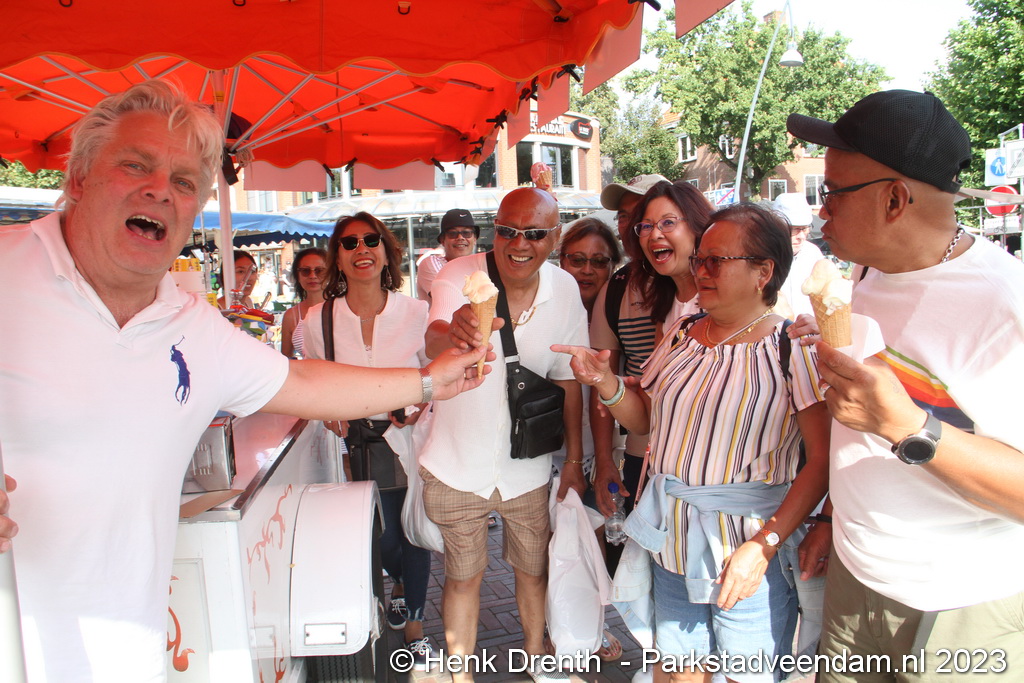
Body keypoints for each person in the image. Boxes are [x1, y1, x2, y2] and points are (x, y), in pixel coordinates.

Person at [0, 80, 490, 683]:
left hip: (127, 652)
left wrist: (429, 382)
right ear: (78, 179)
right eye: (136, 165)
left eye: (185, 182)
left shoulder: (189, 322)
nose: (161, 189)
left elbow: (303, 382)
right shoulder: (8, 267)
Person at [787, 90, 1024, 680]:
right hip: (854, 578)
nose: (820, 211)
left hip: (959, 604)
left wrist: (907, 426)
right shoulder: (866, 272)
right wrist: (831, 518)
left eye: (832, 192)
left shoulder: (1004, 307)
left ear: (894, 199)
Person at [556, 203, 831, 683]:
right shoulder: (683, 332)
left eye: (716, 261)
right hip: (674, 544)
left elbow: (821, 461)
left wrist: (765, 545)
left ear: (763, 272)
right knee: (680, 672)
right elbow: (645, 419)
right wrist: (605, 383)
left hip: (747, 549)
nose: (700, 270)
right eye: (700, 258)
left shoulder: (793, 348)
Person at [420, 187, 588, 682]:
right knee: (462, 576)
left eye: (534, 233)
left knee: (533, 572)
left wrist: (573, 462)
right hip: (456, 463)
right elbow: (432, 336)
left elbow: (568, 380)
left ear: (555, 237)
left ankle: (537, 661)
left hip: (528, 468)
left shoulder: (565, 289)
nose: (519, 243)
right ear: (494, 229)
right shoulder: (459, 275)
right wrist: (454, 331)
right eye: (507, 230)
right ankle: (460, 674)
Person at [302, 213, 436, 670]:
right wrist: (327, 413)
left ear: (386, 252)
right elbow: (315, 381)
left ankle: (415, 624)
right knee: (380, 536)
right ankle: (397, 583)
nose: (362, 249)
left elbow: (433, 376)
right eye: (350, 243)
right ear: (338, 259)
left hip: (404, 440)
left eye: (371, 240)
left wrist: (418, 403)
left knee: (411, 531)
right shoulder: (318, 319)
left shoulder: (416, 313)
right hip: (353, 447)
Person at [590, 181, 710, 551]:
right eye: (643, 223)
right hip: (660, 472)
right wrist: (606, 383)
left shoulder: (727, 296)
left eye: (667, 222)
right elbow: (648, 415)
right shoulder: (666, 303)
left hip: (716, 485)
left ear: (698, 224)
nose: (649, 232)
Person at [556, 217, 624, 662]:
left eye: (598, 261)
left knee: (597, 528)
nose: (586, 270)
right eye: (577, 259)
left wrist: (602, 458)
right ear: (560, 260)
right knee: (553, 535)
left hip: (602, 439)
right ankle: (554, 627)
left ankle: (593, 628)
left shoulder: (618, 309)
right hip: (549, 444)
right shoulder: (546, 304)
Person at [772, 192, 825, 319]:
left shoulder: (813, 253)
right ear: (777, 227)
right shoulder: (760, 255)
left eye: (805, 228)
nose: (801, 236)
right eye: (794, 229)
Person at [416, 207, 478, 301]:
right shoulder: (430, 263)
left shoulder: (480, 266)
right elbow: (448, 298)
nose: (460, 237)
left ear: (475, 239)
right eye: (453, 233)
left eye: (466, 233)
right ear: (442, 240)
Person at [280, 247, 326, 358]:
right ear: (298, 275)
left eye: (319, 270)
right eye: (305, 271)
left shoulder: (343, 307)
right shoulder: (291, 316)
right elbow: (286, 359)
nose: (312, 276)